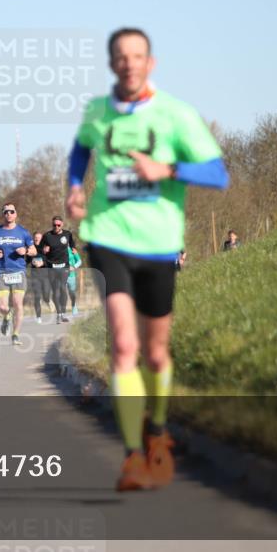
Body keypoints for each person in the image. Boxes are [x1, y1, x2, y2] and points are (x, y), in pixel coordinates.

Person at [64, 27, 229, 491]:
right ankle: (133, 456)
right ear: (111, 63)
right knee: (123, 345)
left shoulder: (176, 115)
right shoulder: (97, 112)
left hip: (158, 243)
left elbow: (218, 174)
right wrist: (75, 188)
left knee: (156, 353)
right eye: (121, 56)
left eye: (138, 56)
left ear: (150, 63)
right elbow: (80, 149)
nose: (129, 63)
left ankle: (157, 430)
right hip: (106, 237)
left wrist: (168, 169)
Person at [0, 203, 35, 345]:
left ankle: (15, 335)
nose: (9, 214)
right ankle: (7, 315)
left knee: (18, 304)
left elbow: (34, 250)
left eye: (11, 211)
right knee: (3, 307)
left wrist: (26, 251)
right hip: (1, 271)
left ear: (16, 214)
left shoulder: (23, 232)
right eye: (6, 212)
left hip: (19, 271)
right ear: (3, 214)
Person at [40, 217, 76, 324]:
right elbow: (40, 249)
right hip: (52, 266)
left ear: (62, 225)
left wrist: (73, 249)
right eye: (54, 225)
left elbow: (72, 244)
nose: (56, 227)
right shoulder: (47, 236)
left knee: (62, 288)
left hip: (64, 265)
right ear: (52, 225)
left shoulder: (67, 234)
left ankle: (63, 313)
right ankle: (59, 313)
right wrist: (44, 250)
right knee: (55, 290)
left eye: (58, 225)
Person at [26, 231, 51, 323]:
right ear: (33, 239)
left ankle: (48, 301)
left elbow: (50, 261)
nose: (37, 239)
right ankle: (38, 317)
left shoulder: (45, 249)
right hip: (35, 276)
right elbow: (27, 261)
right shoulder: (31, 249)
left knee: (46, 296)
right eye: (35, 237)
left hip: (45, 276)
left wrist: (42, 263)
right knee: (37, 296)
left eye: (39, 237)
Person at [66, 246, 83, 316]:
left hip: (71, 276)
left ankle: (74, 308)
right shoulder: (57, 249)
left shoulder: (72, 250)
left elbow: (79, 261)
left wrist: (74, 267)